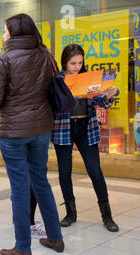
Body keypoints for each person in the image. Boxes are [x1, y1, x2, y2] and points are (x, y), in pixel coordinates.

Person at [0, 14, 64, 255]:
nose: (3, 34)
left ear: (15, 33)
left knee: (19, 188)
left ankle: (22, 248)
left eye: (5, 30)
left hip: (14, 132)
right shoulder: (45, 55)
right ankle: (55, 238)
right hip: (41, 128)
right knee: (41, 181)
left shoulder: (4, 60)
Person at [52, 44, 119, 232]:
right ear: (65, 61)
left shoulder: (88, 77)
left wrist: (107, 95)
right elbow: (52, 104)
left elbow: (100, 102)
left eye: (80, 62)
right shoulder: (57, 79)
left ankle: (107, 216)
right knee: (65, 173)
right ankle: (70, 213)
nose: (77, 66)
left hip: (86, 127)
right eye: (73, 63)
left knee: (95, 172)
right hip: (63, 128)